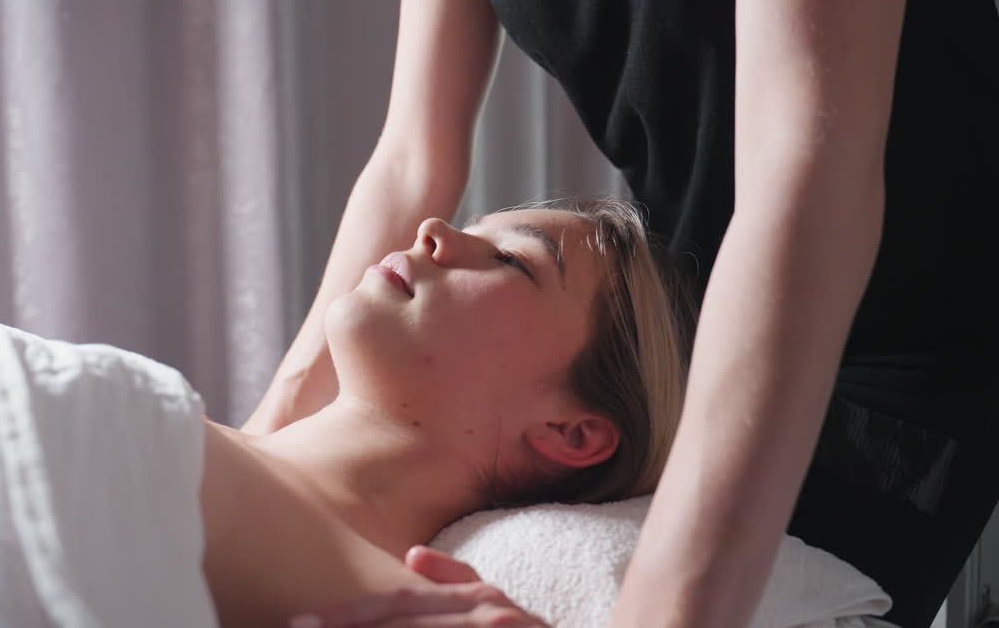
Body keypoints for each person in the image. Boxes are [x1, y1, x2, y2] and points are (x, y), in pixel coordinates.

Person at [250, 0, 999, 627]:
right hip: (690, 309)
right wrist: (265, 433)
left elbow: (805, 169)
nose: (436, 237)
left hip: (896, 350)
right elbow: (413, 158)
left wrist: (661, 612)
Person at [217, 200, 691, 626]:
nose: (432, 228)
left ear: (569, 433)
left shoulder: (378, 606)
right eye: (473, 229)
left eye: (512, 260)